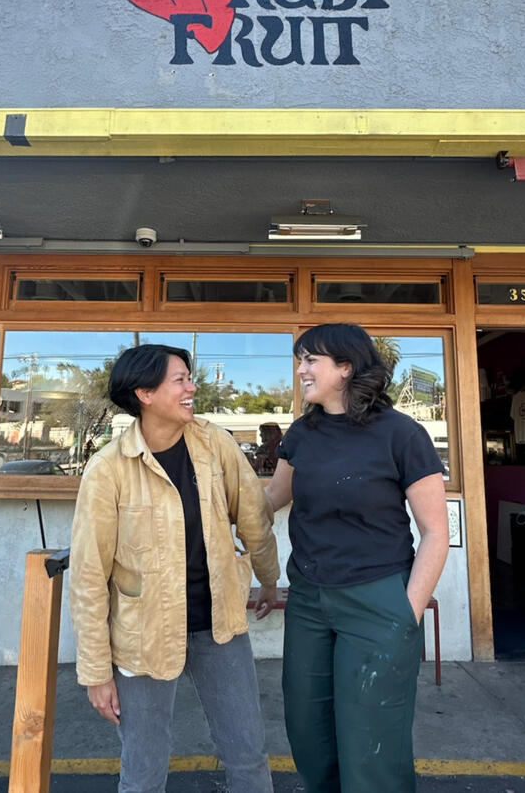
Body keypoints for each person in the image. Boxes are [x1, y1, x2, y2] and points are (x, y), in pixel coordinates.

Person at [69, 344, 280, 793]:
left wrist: (268, 579)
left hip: (219, 625)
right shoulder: (108, 469)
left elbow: (253, 519)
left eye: (190, 377)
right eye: (180, 380)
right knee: (143, 769)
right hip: (142, 636)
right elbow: (89, 577)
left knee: (247, 754)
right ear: (144, 393)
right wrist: (96, 673)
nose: (192, 388)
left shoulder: (214, 444)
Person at [264, 323, 449, 793]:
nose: (301, 370)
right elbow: (272, 498)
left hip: (378, 598)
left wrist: (406, 612)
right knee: (307, 728)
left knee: (372, 740)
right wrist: (211, 494)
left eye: (311, 360)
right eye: (300, 360)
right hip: (309, 599)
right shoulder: (302, 433)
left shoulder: (401, 434)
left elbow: (435, 532)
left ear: (345, 368)